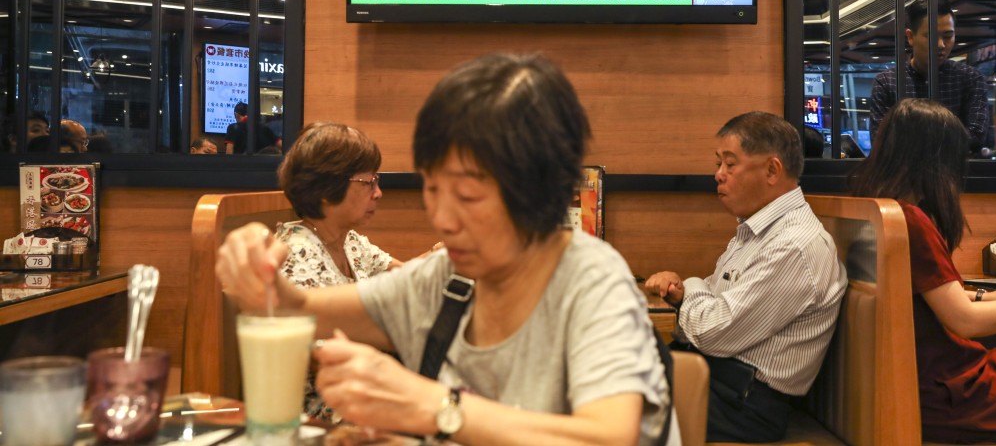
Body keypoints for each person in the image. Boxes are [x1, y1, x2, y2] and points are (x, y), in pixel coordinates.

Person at [216, 53, 678, 446]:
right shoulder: (446, 279)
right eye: (432, 190)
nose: (442, 218)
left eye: (469, 196)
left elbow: (609, 436)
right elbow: (298, 306)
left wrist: (433, 406)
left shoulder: (591, 279)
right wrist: (258, 269)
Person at [644, 111, 847, 443]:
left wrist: (690, 285)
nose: (718, 175)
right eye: (718, 164)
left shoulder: (795, 245)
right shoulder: (754, 231)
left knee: (602, 390)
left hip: (744, 404)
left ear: (771, 170)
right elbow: (708, 314)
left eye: (730, 164)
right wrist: (686, 294)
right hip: (718, 380)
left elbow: (712, 332)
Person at [850, 98, 996, 443]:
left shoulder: (873, 210)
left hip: (917, 380)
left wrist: (994, 293)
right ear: (936, 162)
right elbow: (965, 322)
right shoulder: (909, 221)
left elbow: (918, 295)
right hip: (947, 393)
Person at [274, 121, 405, 422]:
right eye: (368, 182)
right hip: (325, 410)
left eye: (377, 180)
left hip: (363, 384)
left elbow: (405, 276)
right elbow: (322, 359)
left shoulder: (348, 239)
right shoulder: (294, 253)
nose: (378, 193)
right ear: (325, 190)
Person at [870, 0, 989, 154]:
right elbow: (880, 139)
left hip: (957, 175)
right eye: (932, 36)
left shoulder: (970, 78)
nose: (941, 44)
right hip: (904, 176)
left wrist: (914, 144)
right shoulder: (887, 82)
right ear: (910, 37)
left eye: (948, 36)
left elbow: (976, 135)